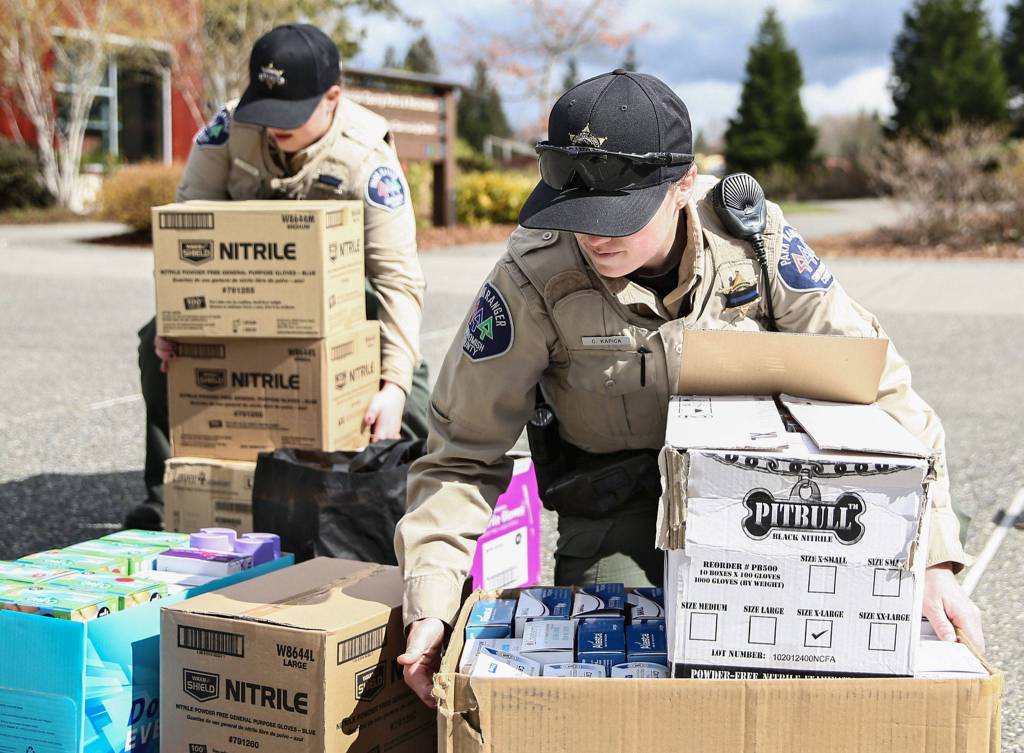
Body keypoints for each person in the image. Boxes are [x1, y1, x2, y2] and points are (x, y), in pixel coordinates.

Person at [394, 70, 983, 707]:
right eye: (579, 213)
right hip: (619, 506)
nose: (595, 236)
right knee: (609, 690)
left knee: (800, 681)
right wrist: (430, 599)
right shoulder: (533, 275)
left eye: (620, 216)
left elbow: (882, 389)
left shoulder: (754, 239)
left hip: (763, 504)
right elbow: (460, 452)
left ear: (682, 185)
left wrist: (935, 559)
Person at [125, 23, 429, 530]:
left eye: (290, 113)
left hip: (346, 305)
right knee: (158, 344)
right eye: (266, 111)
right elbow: (184, 231)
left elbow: (397, 278)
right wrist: (179, 318)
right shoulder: (228, 130)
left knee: (414, 403)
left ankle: (382, 506)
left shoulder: (367, 157)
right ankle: (169, 497)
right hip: (240, 293)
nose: (273, 126)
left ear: (332, 98)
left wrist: (394, 383)